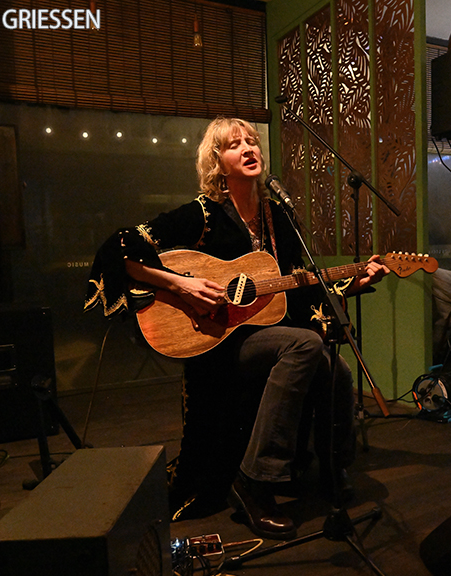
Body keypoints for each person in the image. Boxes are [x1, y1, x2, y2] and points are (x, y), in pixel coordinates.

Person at [84, 117, 389, 540]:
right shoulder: (201, 215)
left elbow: (299, 283)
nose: (248, 149)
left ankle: (333, 468)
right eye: (234, 145)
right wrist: (181, 284)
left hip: (265, 334)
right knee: (305, 345)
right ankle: (254, 480)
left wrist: (354, 282)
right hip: (217, 341)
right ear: (217, 162)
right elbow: (119, 249)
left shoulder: (277, 217)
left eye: (252, 141)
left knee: (334, 365)